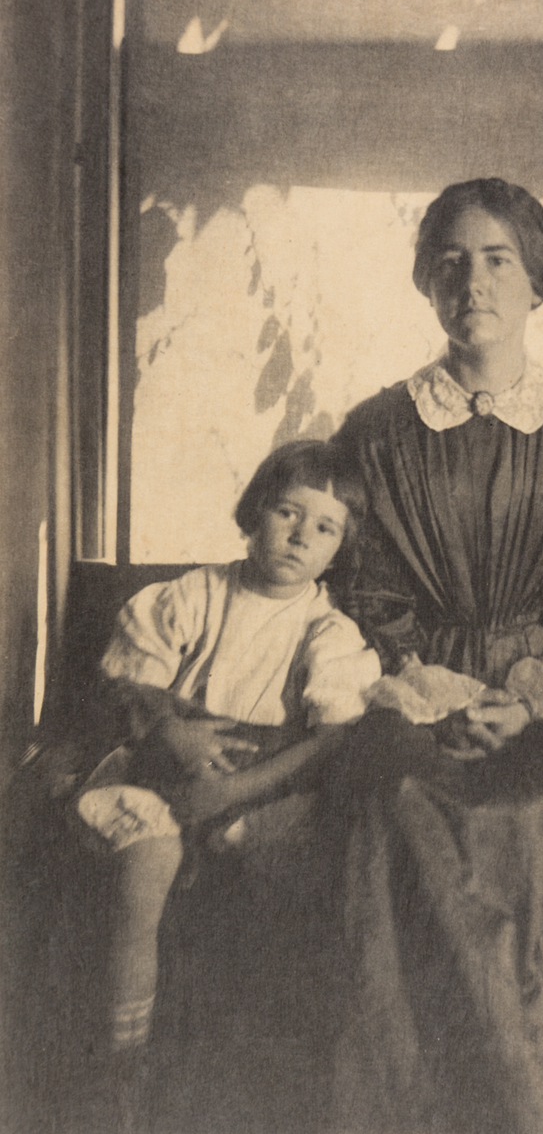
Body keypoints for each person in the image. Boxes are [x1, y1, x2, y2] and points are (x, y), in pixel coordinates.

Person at [322, 178, 543, 1134]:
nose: (471, 282)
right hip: (416, 700)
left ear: (536, 283)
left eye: (496, 260)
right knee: (397, 801)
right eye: (450, 261)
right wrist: (436, 694)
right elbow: (362, 597)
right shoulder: (376, 431)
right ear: (426, 284)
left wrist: (528, 702)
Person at [75, 440, 381, 1057]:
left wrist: (230, 793)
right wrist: (168, 732)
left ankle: (249, 1054)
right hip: (156, 769)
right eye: (287, 513)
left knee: (308, 863)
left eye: (324, 528)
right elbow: (126, 684)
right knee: (150, 857)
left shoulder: (327, 631)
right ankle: (124, 1050)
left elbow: (333, 737)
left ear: (339, 549)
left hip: (259, 786)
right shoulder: (193, 596)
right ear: (254, 512)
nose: (299, 537)